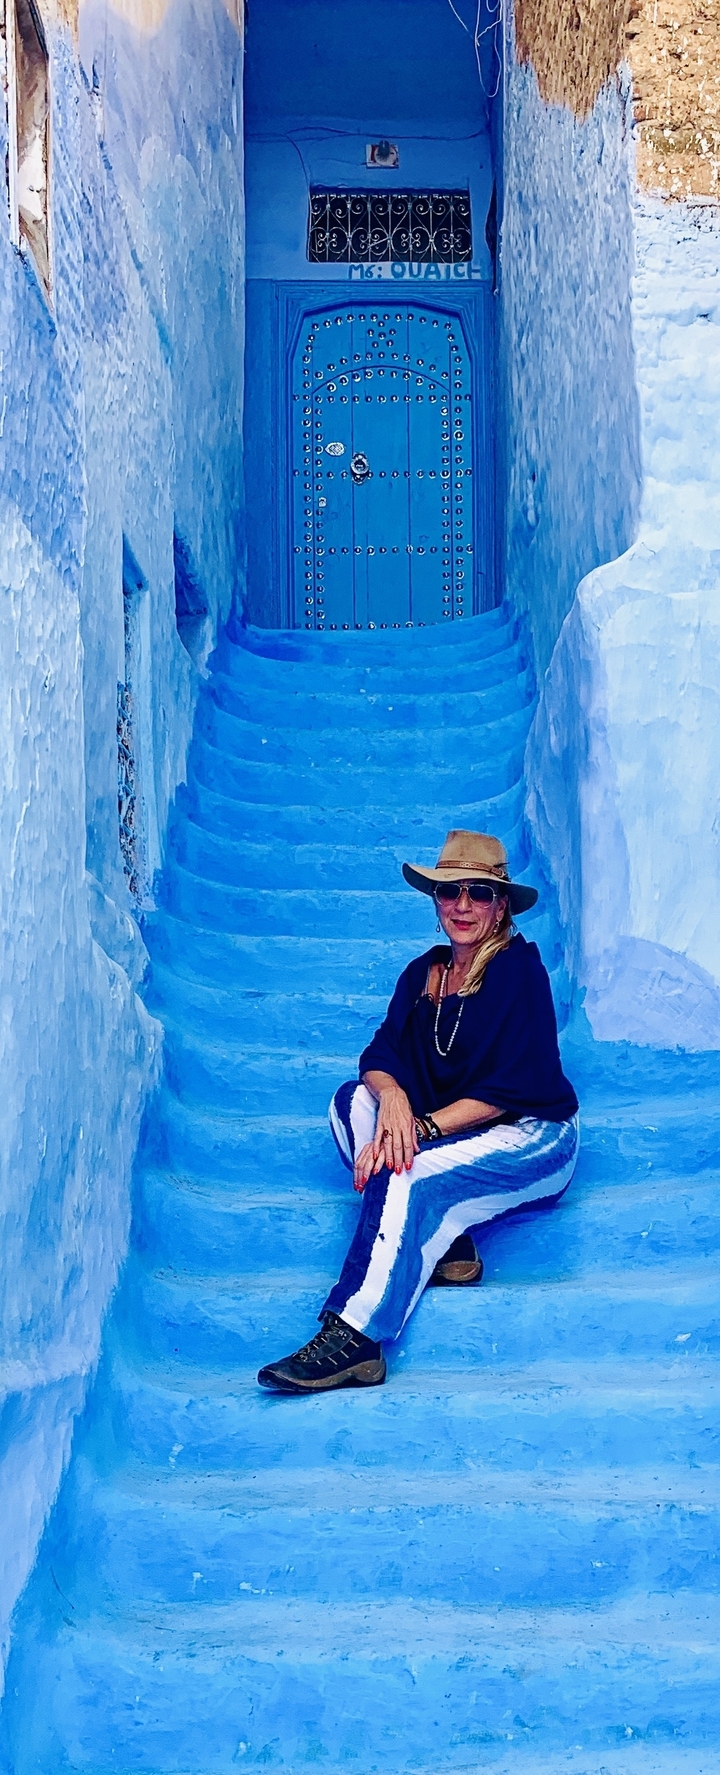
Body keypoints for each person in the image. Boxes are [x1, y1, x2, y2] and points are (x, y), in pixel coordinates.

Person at [258, 830, 579, 1394]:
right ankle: (443, 1233)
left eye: (479, 893)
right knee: (350, 1103)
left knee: (406, 1170)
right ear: (435, 901)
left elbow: (513, 1088)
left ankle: (356, 1339)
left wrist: (421, 1129)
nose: (463, 905)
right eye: (450, 891)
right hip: (454, 1134)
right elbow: (379, 1056)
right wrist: (395, 1099)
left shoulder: (519, 970)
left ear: (501, 906)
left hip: (532, 1136)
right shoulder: (423, 974)